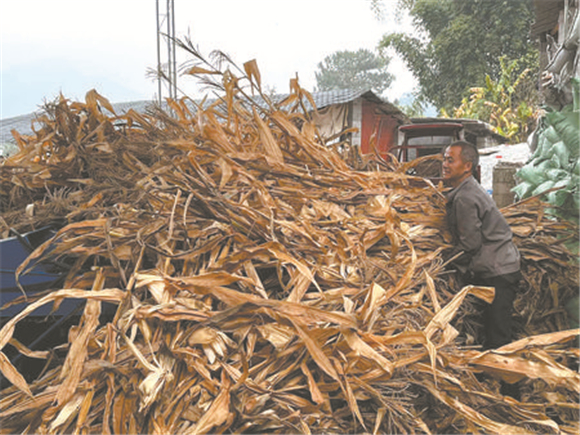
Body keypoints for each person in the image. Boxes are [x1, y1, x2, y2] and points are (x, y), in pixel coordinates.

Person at [442, 141, 522, 351]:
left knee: (498, 336)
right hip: (497, 267)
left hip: (498, 271)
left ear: (467, 166)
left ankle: (509, 382)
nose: (444, 164)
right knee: (492, 330)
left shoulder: (465, 196)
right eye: (444, 159)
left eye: (450, 160)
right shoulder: (466, 190)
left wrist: (442, 261)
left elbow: (470, 244)